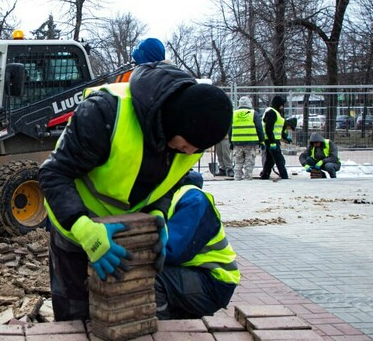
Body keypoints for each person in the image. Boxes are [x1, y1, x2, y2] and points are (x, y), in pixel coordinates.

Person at [38, 62, 233, 321]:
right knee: (76, 319)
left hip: (123, 235)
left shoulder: (185, 143)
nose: (189, 153)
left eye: (196, 150)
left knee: (117, 316)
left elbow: (170, 182)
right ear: (176, 122)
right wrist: (83, 228)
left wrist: (158, 215)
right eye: (188, 145)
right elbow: (53, 173)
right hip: (75, 226)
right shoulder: (106, 112)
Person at [155, 182, 239, 319]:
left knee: (149, 277)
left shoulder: (193, 200)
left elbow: (171, 251)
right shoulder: (166, 195)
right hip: (195, 273)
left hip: (213, 282)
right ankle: (185, 316)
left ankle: (163, 329)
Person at [230, 96, 264, 180]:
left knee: (238, 162)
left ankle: (237, 178)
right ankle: (248, 178)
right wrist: (261, 140)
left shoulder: (234, 114)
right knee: (249, 162)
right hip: (250, 142)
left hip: (237, 143)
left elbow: (230, 129)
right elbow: (259, 128)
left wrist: (231, 142)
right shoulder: (253, 113)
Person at [259, 95, 289, 180]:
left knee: (270, 160)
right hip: (271, 140)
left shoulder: (273, 112)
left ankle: (265, 175)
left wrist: (285, 136)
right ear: (278, 104)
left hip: (271, 139)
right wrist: (272, 142)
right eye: (281, 104)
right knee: (279, 160)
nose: (282, 107)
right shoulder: (272, 112)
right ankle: (284, 176)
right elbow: (269, 128)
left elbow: (276, 128)